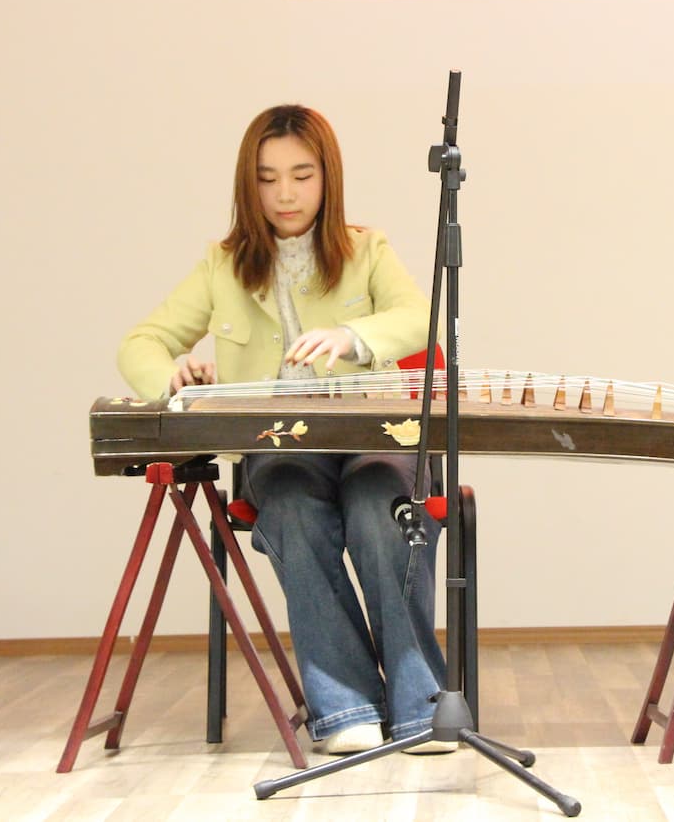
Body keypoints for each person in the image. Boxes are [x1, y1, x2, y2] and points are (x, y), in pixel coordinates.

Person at [117, 105, 452, 755]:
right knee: (294, 508)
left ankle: (419, 707)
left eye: (302, 174)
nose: (287, 193)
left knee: (376, 505)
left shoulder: (366, 248)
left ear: (328, 178)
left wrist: (352, 337)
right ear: (251, 184)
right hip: (281, 447)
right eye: (269, 178)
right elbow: (141, 341)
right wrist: (174, 379)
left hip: (375, 435)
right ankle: (347, 705)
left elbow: (419, 319)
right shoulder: (223, 265)